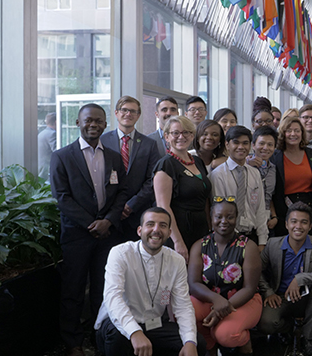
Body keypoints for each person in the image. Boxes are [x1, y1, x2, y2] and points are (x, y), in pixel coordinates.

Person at [50, 103, 129, 356]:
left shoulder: (115, 157)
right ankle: (73, 344)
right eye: (88, 120)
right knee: (73, 291)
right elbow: (62, 198)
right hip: (77, 234)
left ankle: (100, 336)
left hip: (108, 234)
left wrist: (107, 221)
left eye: (98, 120)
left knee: (103, 289)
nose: (93, 124)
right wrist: (91, 223)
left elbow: (122, 194)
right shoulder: (62, 156)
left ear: (105, 124)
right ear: (77, 123)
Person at [95, 207, 204, 356]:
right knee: (117, 333)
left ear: (169, 233)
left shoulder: (176, 260)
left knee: (198, 344)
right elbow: (113, 299)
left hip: (153, 324)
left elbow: (183, 305)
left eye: (163, 225)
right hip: (116, 325)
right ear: (140, 230)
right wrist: (135, 332)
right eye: (150, 224)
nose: (156, 230)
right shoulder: (120, 253)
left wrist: (189, 341)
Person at [188, 199, 263, 356]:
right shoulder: (200, 245)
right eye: (218, 217)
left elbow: (249, 288)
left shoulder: (248, 247)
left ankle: (243, 340)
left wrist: (220, 309)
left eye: (229, 217)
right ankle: (210, 344)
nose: (224, 221)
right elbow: (193, 283)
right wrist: (216, 300)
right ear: (211, 218)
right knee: (185, 311)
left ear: (236, 218)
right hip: (210, 299)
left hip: (242, 301)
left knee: (226, 335)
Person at [259, 202, 312, 356]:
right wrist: (268, 292)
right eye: (294, 221)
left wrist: (299, 279)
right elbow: (256, 271)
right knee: (267, 324)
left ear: (310, 226)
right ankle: (289, 328)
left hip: (305, 297)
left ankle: (308, 338)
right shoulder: (273, 245)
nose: (298, 226)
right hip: (280, 297)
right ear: (286, 224)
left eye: (304, 222)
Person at [101, 96, 162, 240]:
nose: (128, 114)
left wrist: (131, 204)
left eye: (133, 111)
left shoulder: (149, 144)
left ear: (138, 116)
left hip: (138, 213)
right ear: (116, 113)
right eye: (124, 110)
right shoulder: (102, 141)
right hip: (108, 213)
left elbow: (152, 179)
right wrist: (117, 207)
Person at [153, 115, 212, 261]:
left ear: (192, 136)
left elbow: (204, 198)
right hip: (178, 231)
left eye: (186, 132)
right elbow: (163, 206)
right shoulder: (166, 165)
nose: (181, 136)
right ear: (166, 136)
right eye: (175, 133)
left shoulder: (197, 161)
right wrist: (177, 241)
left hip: (200, 229)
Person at [209, 126, 269, 246]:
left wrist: (262, 241)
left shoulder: (254, 173)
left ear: (251, 146)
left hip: (252, 236)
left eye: (245, 143)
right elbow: (219, 211)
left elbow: (260, 209)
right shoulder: (218, 175)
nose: (241, 147)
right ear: (227, 145)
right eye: (236, 142)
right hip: (227, 237)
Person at [271, 116, 312, 236]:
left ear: (302, 133)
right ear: (283, 133)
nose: (293, 134)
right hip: (284, 208)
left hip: (310, 207)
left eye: (297, 131)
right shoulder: (275, 156)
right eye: (289, 131)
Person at [248, 126, 279, 231]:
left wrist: (274, 216)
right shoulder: (244, 167)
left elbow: (270, 196)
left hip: (267, 221)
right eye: (261, 143)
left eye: (270, 145)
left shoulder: (274, 169)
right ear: (253, 145)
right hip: (248, 220)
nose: (265, 148)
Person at [38, 112, 56, 177]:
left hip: (42, 168)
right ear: (56, 122)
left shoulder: (42, 133)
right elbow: (57, 151)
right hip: (47, 170)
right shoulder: (52, 134)